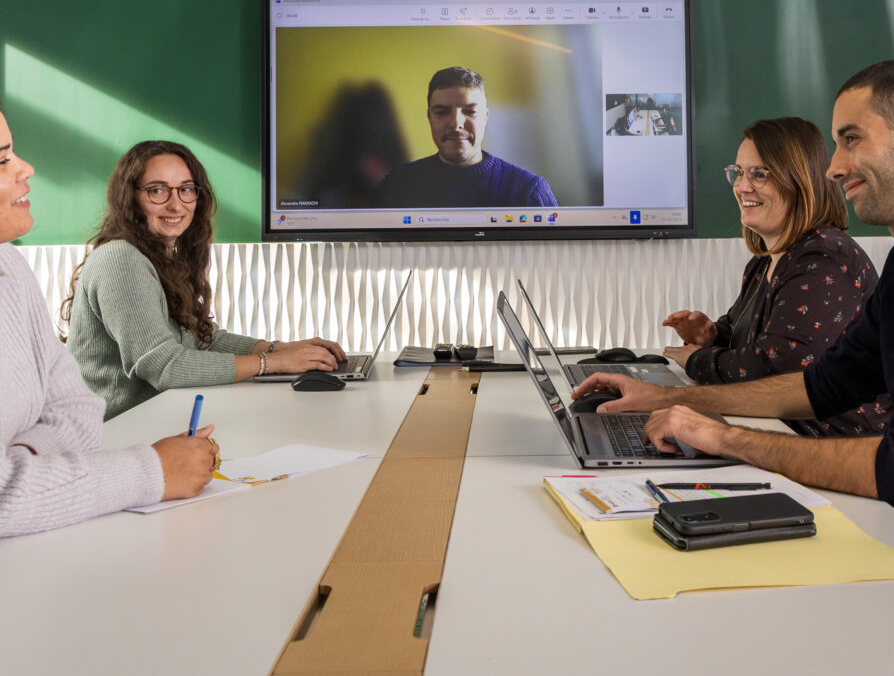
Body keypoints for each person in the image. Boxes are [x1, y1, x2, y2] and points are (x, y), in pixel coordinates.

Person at [573, 61, 894, 503]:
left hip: (846, 477)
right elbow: (819, 385)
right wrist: (662, 399)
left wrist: (721, 430)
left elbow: (785, 370)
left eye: (851, 139)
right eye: (738, 172)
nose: (834, 169)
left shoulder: (826, 256)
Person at [0, 81, 215, 546]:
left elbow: (79, 411)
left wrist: (16, 467)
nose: (25, 169)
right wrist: (151, 471)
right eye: (1, 160)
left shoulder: (9, 263)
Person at [63, 140, 346, 419]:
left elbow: (202, 341)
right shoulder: (120, 259)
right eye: (157, 190)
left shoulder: (161, 257)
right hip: (113, 438)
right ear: (130, 198)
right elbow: (164, 367)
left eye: (186, 189)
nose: (176, 205)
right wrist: (271, 363)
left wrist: (282, 349)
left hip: (154, 425)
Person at [662, 116, 887, 436]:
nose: (741, 187)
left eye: (759, 174)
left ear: (800, 181)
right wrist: (711, 336)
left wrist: (696, 360)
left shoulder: (824, 258)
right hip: (778, 432)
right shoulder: (765, 261)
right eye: (737, 173)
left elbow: (777, 370)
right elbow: (747, 336)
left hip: (833, 449)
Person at [380, 66, 558, 207]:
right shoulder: (397, 185)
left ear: (485, 117)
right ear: (429, 118)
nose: (456, 123)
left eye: (470, 111)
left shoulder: (529, 191)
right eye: (442, 112)